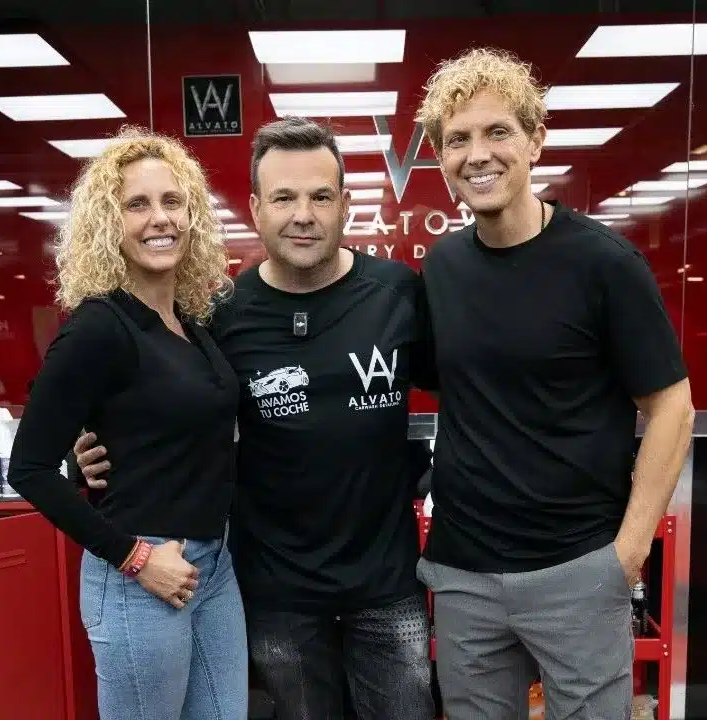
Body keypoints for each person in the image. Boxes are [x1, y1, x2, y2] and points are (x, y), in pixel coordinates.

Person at [76, 117, 437, 719]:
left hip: (387, 586)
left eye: (321, 197)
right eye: (284, 197)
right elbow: (161, 414)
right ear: (255, 208)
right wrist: (85, 455)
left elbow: (466, 385)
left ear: (345, 204)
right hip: (275, 590)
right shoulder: (218, 314)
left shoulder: (397, 293)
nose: (304, 215)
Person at [411, 48, 696, 719]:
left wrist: (627, 553)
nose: (477, 154)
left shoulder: (603, 263)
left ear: (536, 141)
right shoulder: (443, 268)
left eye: (497, 132)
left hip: (578, 570)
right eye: (457, 140)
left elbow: (672, 408)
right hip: (464, 573)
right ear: (441, 158)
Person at [6, 126, 247, 720]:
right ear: (108, 223)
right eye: (137, 204)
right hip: (141, 577)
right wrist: (135, 559)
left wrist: (82, 456)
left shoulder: (188, 325)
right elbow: (29, 468)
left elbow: (149, 429)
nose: (159, 218)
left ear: (192, 216)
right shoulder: (99, 327)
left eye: (172, 201)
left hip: (214, 568)